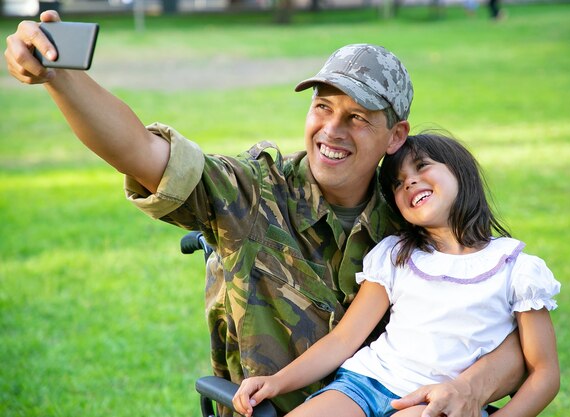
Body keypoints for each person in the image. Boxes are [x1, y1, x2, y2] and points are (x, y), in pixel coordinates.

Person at [5, 11, 526, 417]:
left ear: (396, 136)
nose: (332, 131)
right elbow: (141, 152)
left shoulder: (415, 214)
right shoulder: (253, 192)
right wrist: (61, 79)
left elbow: (514, 331)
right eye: (322, 106)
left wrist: (469, 387)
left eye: (357, 118)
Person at [233, 132, 561, 417]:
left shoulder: (516, 269)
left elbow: (544, 373)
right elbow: (343, 340)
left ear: (463, 174)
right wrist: (277, 382)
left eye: (421, 167)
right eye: (398, 183)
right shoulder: (395, 255)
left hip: (433, 400)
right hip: (363, 384)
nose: (410, 182)